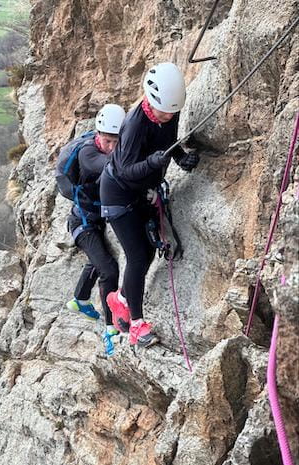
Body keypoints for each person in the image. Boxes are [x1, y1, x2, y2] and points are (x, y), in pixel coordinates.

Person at [100, 62, 199, 347]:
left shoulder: (169, 110)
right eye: (163, 111)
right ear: (151, 101)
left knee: (146, 251)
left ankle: (119, 299)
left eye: (172, 111)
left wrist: (180, 157)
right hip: (117, 196)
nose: (168, 116)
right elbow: (125, 170)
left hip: (141, 189)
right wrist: (151, 163)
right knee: (138, 257)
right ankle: (136, 325)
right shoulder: (134, 125)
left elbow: (168, 141)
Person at [61, 103, 126, 356]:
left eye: (115, 142)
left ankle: (79, 299)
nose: (110, 146)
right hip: (83, 224)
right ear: (98, 134)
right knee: (108, 269)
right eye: (107, 140)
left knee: (96, 261)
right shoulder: (88, 154)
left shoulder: (106, 146)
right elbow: (110, 165)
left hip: (93, 221)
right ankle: (110, 330)